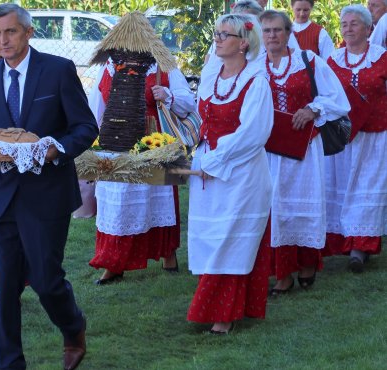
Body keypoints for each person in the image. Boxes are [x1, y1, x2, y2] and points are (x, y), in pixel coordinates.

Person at [0, 4, 98, 370]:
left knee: (45, 279)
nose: (2, 40)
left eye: (9, 32)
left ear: (28, 33)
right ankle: (10, 364)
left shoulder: (58, 71)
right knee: (5, 285)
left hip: (48, 196)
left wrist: (53, 148)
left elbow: (85, 128)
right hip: (3, 197)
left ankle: (73, 326)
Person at [87, 11, 196, 285]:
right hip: (116, 141)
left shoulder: (163, 66)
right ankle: (113, 262)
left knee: (157, 196)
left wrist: (167, 96)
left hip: (153, 142)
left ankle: (167, 252)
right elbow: (97, 106)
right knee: (117, 204)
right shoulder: (110, 67)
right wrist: (93, 139)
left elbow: (187, 103)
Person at [187, 14, 273, 334]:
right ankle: (227, 307)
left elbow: (253, 133)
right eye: (217, 33)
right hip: (209, 172)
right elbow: (200, 121)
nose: (218, 39)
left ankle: (223, 313)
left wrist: (216, 160)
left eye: (225, 35)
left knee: (230, 241)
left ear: (243, 43)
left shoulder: (257, 81)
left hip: (242, 175)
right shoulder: (211, 76)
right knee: (212, 238)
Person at [259, 10, 350, 294]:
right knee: (274, 207)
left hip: (304, 149)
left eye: (277, 30)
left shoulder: (308, 61)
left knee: (303, 204)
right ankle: (282, 273)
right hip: (269, 151)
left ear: (289, 33)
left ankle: (308, 264)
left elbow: (337, 99)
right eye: (267, 31)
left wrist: (312, 109)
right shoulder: (255, 66)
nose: (272, 36)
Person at [324, 5, 387, 272]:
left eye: (354, 23)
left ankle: (360, 247)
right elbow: (323, 93)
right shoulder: (333, 60)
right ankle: (343, 241)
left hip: (374, 136)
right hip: (342, 137)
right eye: (344, 23)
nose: (348, 28)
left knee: (366, 187)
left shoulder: (382, 57)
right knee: (342, 186)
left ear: (368, 28)